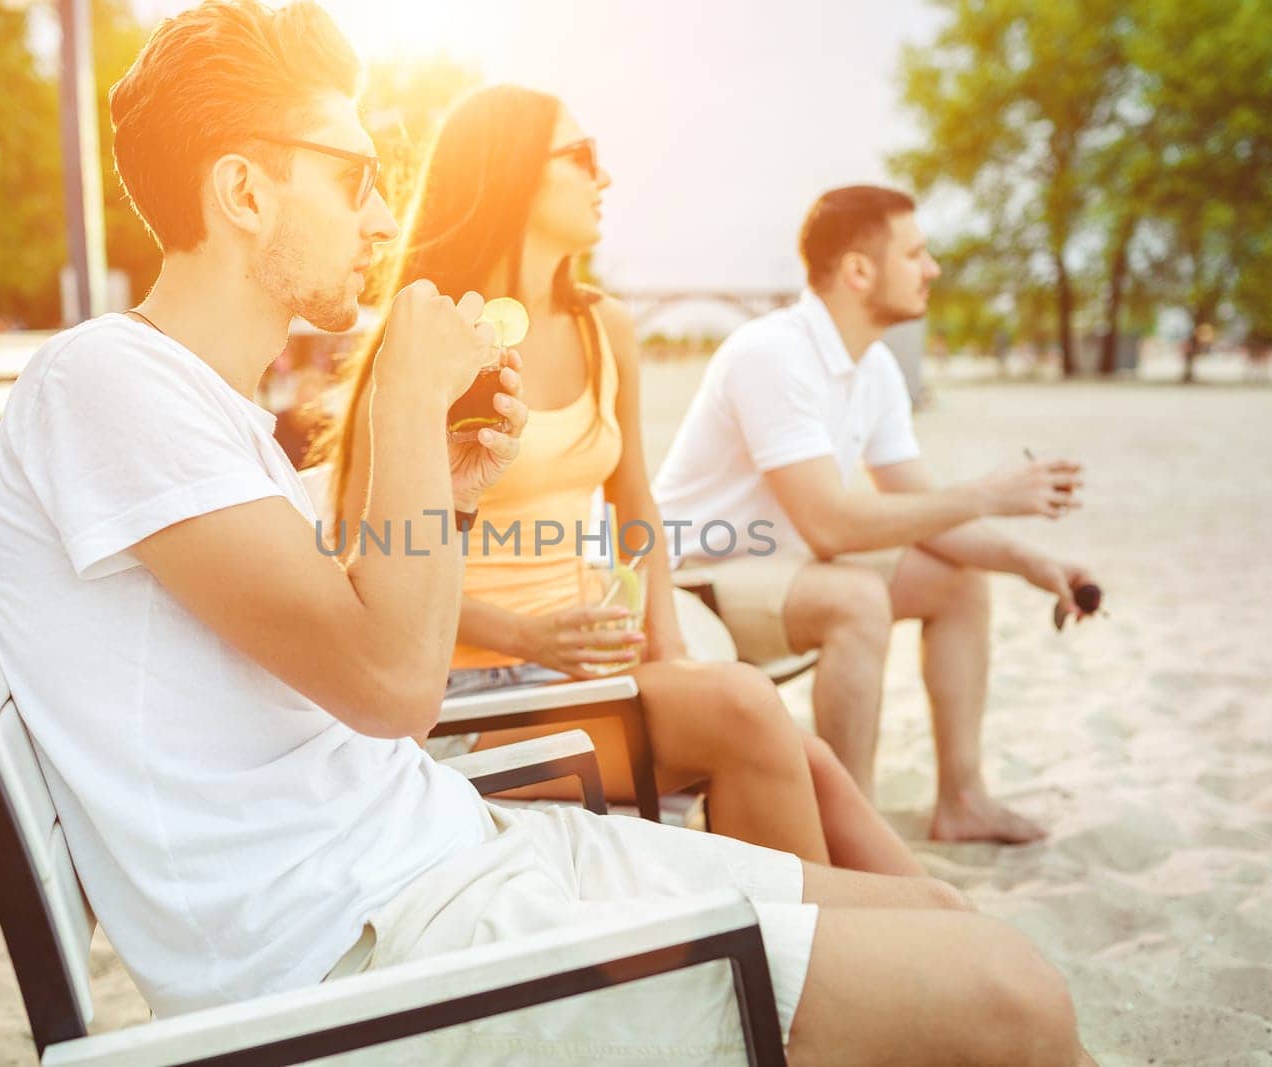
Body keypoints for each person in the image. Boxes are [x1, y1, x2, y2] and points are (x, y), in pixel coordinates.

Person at [0, 5, 1091, 1061]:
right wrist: (408, 402)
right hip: (373, 951)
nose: (377, 215)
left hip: (452, 858)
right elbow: (395, 687)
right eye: (354, 176)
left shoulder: (215, 420)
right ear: (242, 191)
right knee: (1013, 1000)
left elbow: (368, 644)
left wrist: (452, 494)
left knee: (943, 912)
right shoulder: (106, 382)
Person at [319, 85, 920, 876]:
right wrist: (527, 635)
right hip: (466, 696)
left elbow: (635, 507)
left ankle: (929, 930)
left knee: (801, 758)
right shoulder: (429, 336)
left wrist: (666, 649)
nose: (604, 177)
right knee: (748, 711)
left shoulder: (606, 327)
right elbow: (369, 562)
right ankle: (835, 954)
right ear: (515, 174)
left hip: (585, 675)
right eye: (582, 157)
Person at [654, 185, 1101, 844]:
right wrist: (988, 491)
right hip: (690, 587)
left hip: (779, 572)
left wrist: (1033, 562)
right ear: (859, 271)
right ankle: (851, 829)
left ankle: (963, 801)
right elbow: (829, 524)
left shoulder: (875, 369)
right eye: (916, 253)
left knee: (956, 580)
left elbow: (921, 510)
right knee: (857, 598)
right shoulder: (772, 353)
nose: (932, 269)